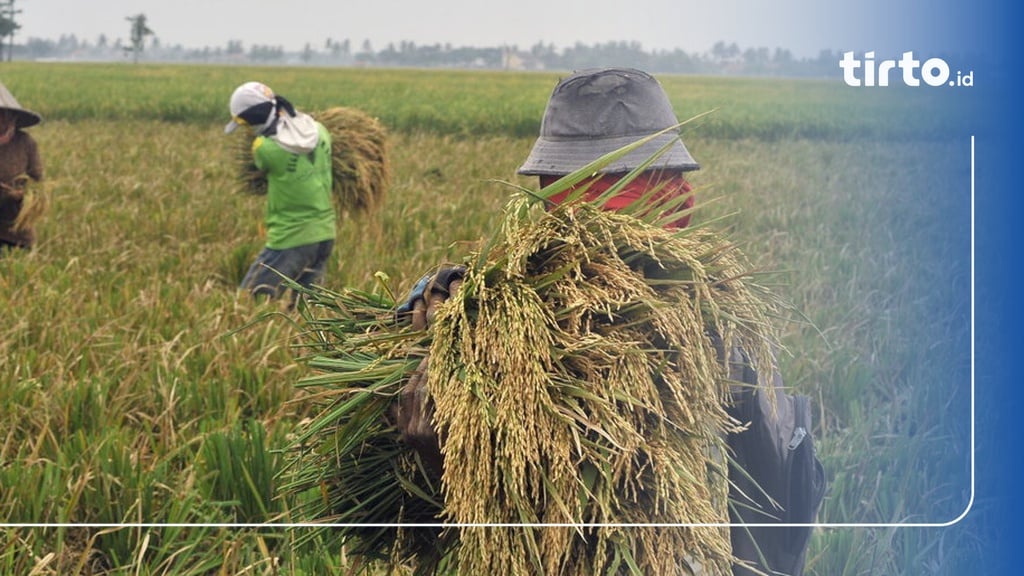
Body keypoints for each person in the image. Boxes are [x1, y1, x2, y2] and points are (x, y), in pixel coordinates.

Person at [399, 68, 825, 576]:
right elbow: (413, 530)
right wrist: (445, 448)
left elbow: (772, 519)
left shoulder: (722, 335)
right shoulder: (463, 314)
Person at [224, 81, 335, 304]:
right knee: (308, 311)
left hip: (291, 236)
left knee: (248, 302)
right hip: (325, 233)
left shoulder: (264, 148)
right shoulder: (320, 131)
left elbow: (262, 166)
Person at [0, 81, 44, 253]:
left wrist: (20, 195)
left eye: (2, 114)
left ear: (11, 117)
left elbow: (38, 183)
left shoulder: (25, 142)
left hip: (16, 229)